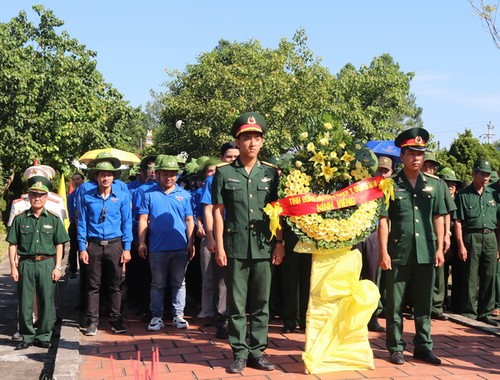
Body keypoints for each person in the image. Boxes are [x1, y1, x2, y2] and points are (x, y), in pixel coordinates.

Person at [212, 112, 285, 373]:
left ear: (262, 142)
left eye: (256, 138)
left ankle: (258, 351)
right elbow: (218, 211)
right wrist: (219, 246)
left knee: (262, 303)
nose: (252, 143)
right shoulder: (223, 173)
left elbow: (278, 211)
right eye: (246, 138)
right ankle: (239, 352)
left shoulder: (272, 174)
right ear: (237, 141)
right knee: (237, 303)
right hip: (235, 246)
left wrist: (279, 242)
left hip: (264, 246)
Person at [378, 127, 447, 366]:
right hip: (398, 251)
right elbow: (383, 219)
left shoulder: (435, 185)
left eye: (420, 153)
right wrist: (384, 251)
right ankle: (395, 347)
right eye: (411, 153)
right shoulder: (390, 184)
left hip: (426, 251)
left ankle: (423, 346)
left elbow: (439, 216)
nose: (417, 158)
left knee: (423, 303)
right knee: (394, 303)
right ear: (403, 154)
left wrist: (439, 248)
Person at [7, 176, 69, 350]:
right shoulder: (20, 219)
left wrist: (58, 267)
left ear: (46, 197)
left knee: (46, 301)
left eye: (41, 195)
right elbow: (12, 244)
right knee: (25, 302)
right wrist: (13, 266)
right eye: (34, 194)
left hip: (46, 264)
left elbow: (59, 244)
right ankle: (27, 336)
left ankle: (43, 335)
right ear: (29, 196)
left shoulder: (54, 219)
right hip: (25, 264)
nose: (37, 198)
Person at [138, 155, 195, 331]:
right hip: (157, 248)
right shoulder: (148, 194)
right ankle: (157, 316)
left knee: (179, 283)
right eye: (165, 174)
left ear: (177, 175)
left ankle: (178, 315)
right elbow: (143, 219)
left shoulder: (185, 195)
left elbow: (189, 220)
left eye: (172, 174)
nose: (169, 177)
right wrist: (141, 242)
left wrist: (191, 242)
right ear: (157, 174)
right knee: (158, 284)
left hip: (180, 247)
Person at [77, 155, 133, 336]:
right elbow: (82, 223)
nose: (106, 178)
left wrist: (127, 248)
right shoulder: (87, 197)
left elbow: (127, 223)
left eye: (109, 174)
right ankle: (93, 321)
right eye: (102, 174)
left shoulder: (122, 196)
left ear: (113, 177)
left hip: (115, 245)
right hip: (93, 245)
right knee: (93, 285)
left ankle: (116, 319)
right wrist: (82, 248)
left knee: (115, 285)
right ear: (96, 176)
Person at [199, 142, 240, 339]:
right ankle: (222, 321)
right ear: (222, 158)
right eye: (229, 157)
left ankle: (238, 320)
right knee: (221, 281)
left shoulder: (245, 176)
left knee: (240, 280)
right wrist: (211, 236)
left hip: (240, 235)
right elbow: (208, 208)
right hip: (220, 233)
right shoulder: (213, 180)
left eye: (235, 156)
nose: (232, 160)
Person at [454, 159, 500, 327]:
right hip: (471, 235)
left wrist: (498, 247)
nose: (485, 178)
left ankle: (486, 312)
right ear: (474, 174)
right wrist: (461, 245)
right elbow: (457, 221)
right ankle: (469, 311)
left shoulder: (494, 195)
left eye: (488, 175)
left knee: (489, 275)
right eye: (482, 174)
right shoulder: (463, 194)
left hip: (490, 237)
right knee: (471, 275)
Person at [359, 155, 393, 332]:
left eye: (386, 171)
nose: (382, 174)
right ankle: (355, 318)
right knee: (355, 278)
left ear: (391, 172)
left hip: (376, 235)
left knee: (373, 280)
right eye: (380, 170)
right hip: (357, 234)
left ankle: (372, 318)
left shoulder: (392, 189)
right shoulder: (362, 186)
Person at [422, 151, 456, 321]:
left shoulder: (440, 184)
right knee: (420, 272)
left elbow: (447, 210)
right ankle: (419, 305)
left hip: (437, 233)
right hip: (420, 233)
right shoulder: (414, 183)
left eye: (432, 165)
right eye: (426, 164)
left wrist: (447, 234)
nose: (429, 168)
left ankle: (436, 306)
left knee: (439, 272)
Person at [67, 172, 85, 279]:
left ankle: (84, 269)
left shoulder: (86, 193)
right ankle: (73, 270)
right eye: (74, 180)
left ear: (83, 180)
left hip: (84, 224)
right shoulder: (71, 196)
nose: (76, 181)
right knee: (73, 248)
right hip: (74, 224)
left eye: (78, 179)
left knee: (83, 248)